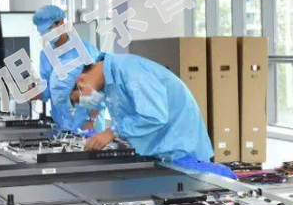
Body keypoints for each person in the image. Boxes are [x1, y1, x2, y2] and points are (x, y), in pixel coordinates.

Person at [72, 52, 236, 179]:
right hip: (159, 149)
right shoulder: (110, 81)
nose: (85, 102)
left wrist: (111, 132)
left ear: (81, 81)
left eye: (79, 98)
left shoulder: (129, 70)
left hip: (177, 146)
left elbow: (154, 116)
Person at [32, 5, 104, 133]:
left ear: (61, 23)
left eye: (48, 30)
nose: (46, 35)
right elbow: (48, 88)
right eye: (42, 33)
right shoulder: (46, 55)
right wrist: (37, 93)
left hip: (88, 126)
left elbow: (99, 89)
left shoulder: (85, 50)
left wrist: (91, 120)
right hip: (62, 126)